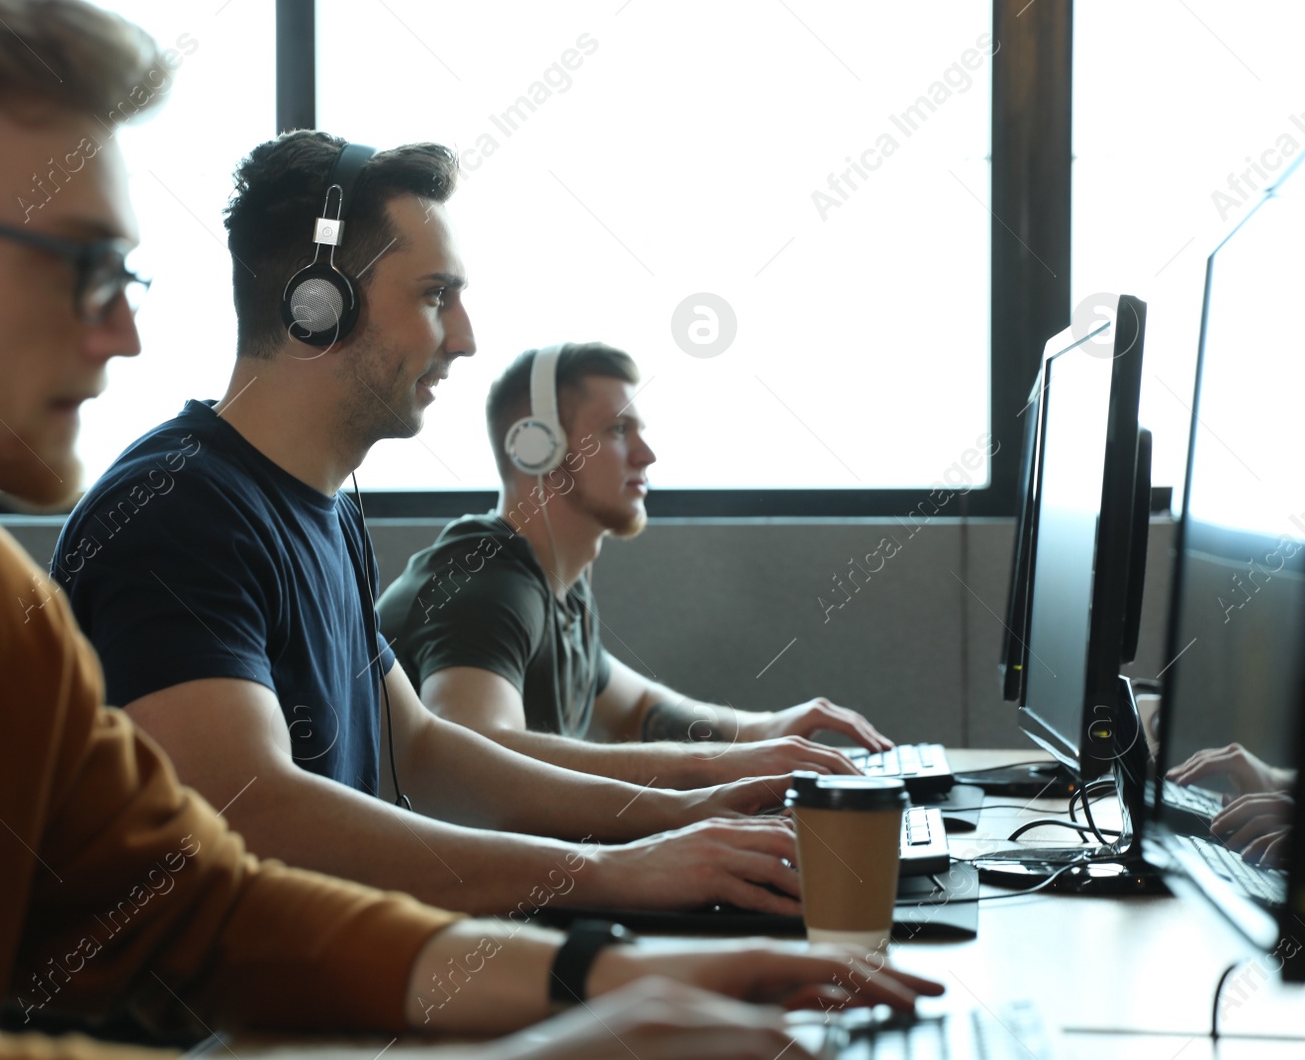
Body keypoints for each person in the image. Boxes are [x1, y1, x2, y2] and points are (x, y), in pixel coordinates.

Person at [0, 0, 941, 1057]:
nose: (123, 335)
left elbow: (200, 895)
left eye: (122, 280)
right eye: (78, 269)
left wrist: (597, 977)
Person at [53, 131, 838, 921]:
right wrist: (609, 870)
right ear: (316, 305)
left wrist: (688, 816)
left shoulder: (323, 514)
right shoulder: (177, 510)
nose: (464, 338)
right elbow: (254, 814)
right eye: (436, 295)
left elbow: (423, 747)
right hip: (199, 1039)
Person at [376, 343, 896, 790]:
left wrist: (768, 729)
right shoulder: (486, 586)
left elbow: (638, 708)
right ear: (536, 448)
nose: (646, 454)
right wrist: (722, 766)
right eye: (618, 429)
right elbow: (480, 760)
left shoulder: (557, 586)